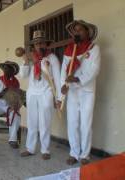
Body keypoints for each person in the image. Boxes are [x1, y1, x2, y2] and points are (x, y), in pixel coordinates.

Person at [59, 20, 100, 165]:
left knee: (85, 124)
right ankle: (74, 153)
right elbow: (63, 71)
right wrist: (63, 87)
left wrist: (77, 78)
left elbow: (94, 70)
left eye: (80, 30)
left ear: (87, 32)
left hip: (87, 91)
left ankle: (85, 155)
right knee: (72, 123)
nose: (77, 32)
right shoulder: (69, 50)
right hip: (72, 92)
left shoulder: (93, 48)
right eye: (75, 30)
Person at [19, 30, 61, 160]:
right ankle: (30, 148)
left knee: (45, 121)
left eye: (42, 43)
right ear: (34, 46)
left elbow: (58, 79)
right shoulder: (31, 57)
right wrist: (25, 62)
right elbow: (23, 75)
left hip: (46, 91)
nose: (39, 46)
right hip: (32, 91)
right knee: (31, 121)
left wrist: (58, 98)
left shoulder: (52, 58)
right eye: (37, 44)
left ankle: (45, 149)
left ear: (46, 44)